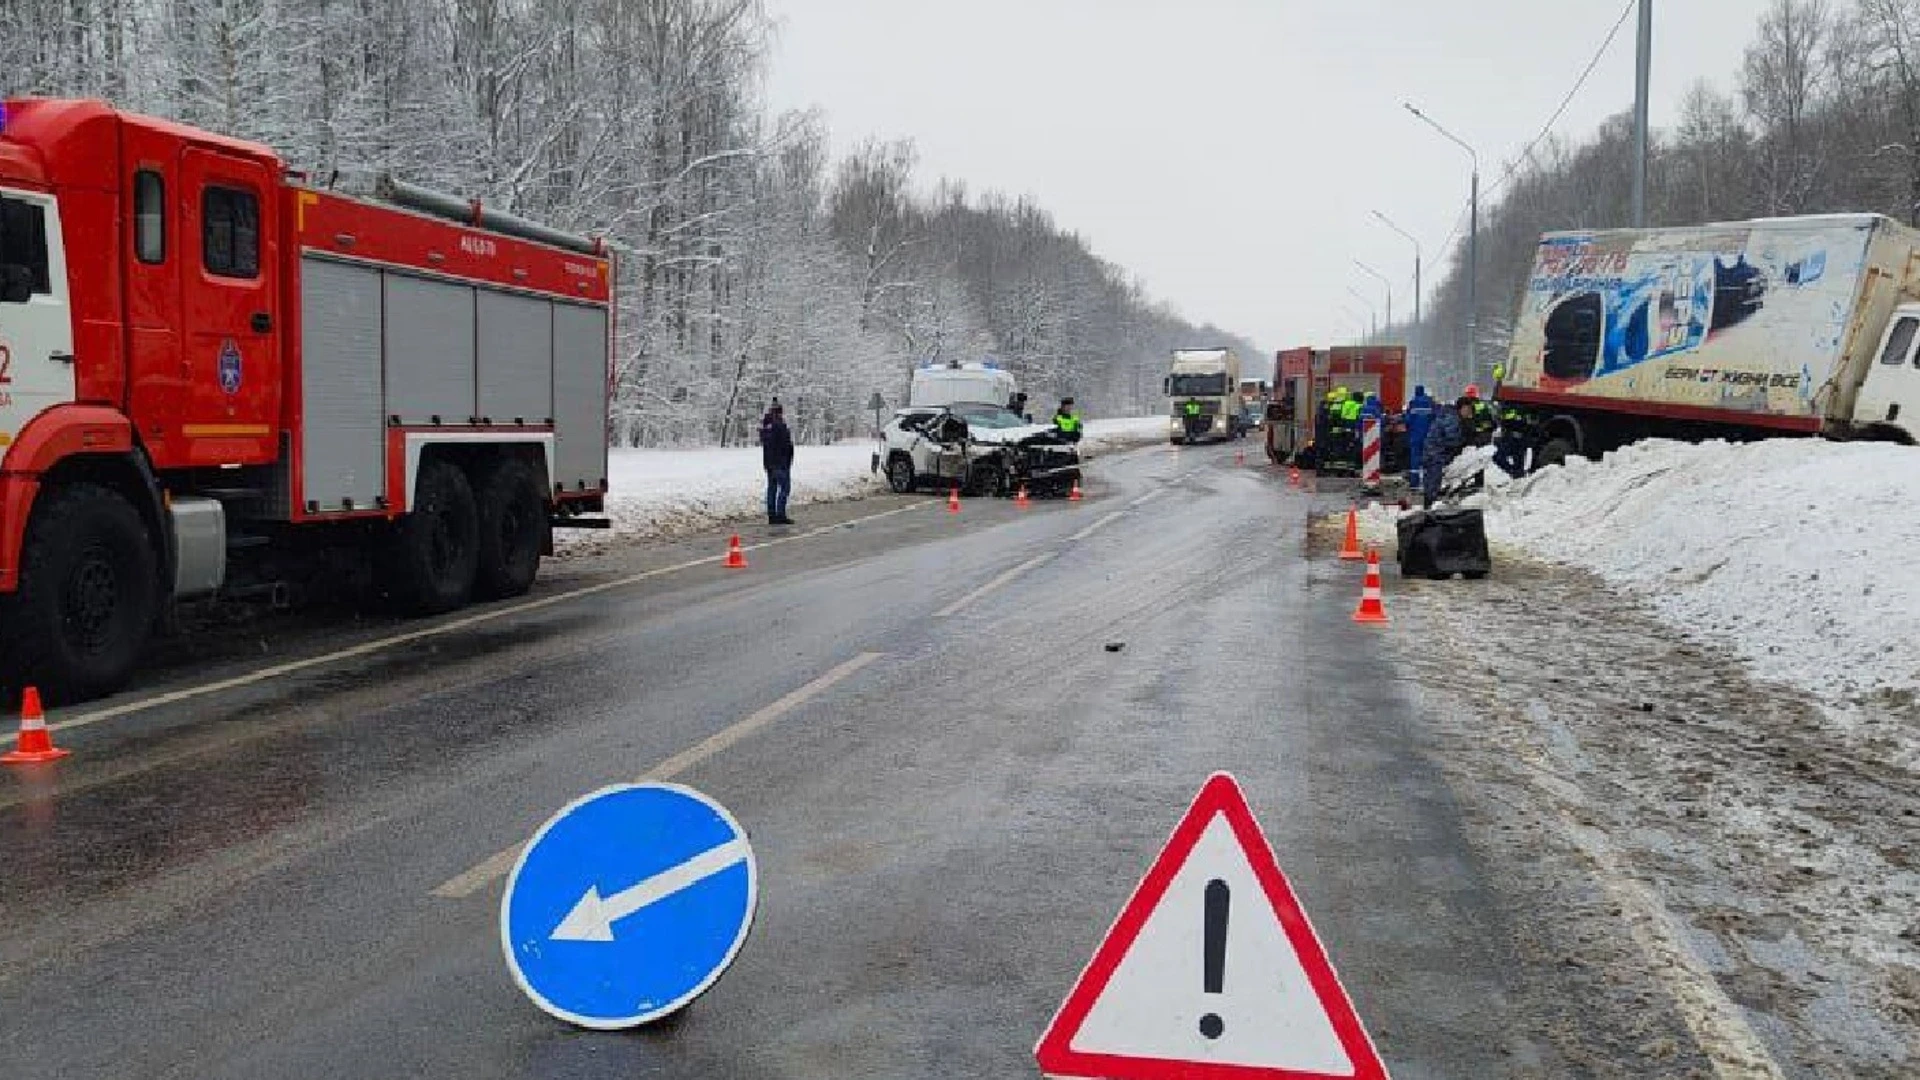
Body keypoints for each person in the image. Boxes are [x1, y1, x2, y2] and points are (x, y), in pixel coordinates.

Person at [1421, 397, 1472, 508]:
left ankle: (1429, 501)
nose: (1469, 413)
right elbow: (1452, 437)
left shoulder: (1449, 415)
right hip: (1436, 451)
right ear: (1462, 408)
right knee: (1434, 478)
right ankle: (1429, 503)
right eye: (1468, 409)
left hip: (1432, 450)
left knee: (1431, 477)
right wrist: (1464, 441)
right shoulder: (1452, 419)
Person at [759, 400, 795, 526]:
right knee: (785, 488)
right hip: (780, 463)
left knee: (772, 488)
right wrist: (788, 457)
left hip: (769, 463)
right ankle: (780, 514)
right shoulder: (779, 425)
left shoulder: (765, 426)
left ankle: (772, 514)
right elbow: (785, 444)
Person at [1404, 384, 1436, 488]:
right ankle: (1428, 481)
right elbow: (1435, 418)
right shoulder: (1430, 403)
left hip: (1415, 435)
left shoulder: (1413, 402)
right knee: (1429, 458)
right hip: (1428, 435)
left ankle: (1414, 482)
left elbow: (1408, 420)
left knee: (1415, 458)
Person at [1494, 399, 1533, 477]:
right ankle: (1514, 472)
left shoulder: (1512, 408)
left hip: (1516, 439)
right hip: (1512, 439)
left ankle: (1515, 473)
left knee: (1515, 461)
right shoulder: (1519, 408)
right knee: (1500, 457)